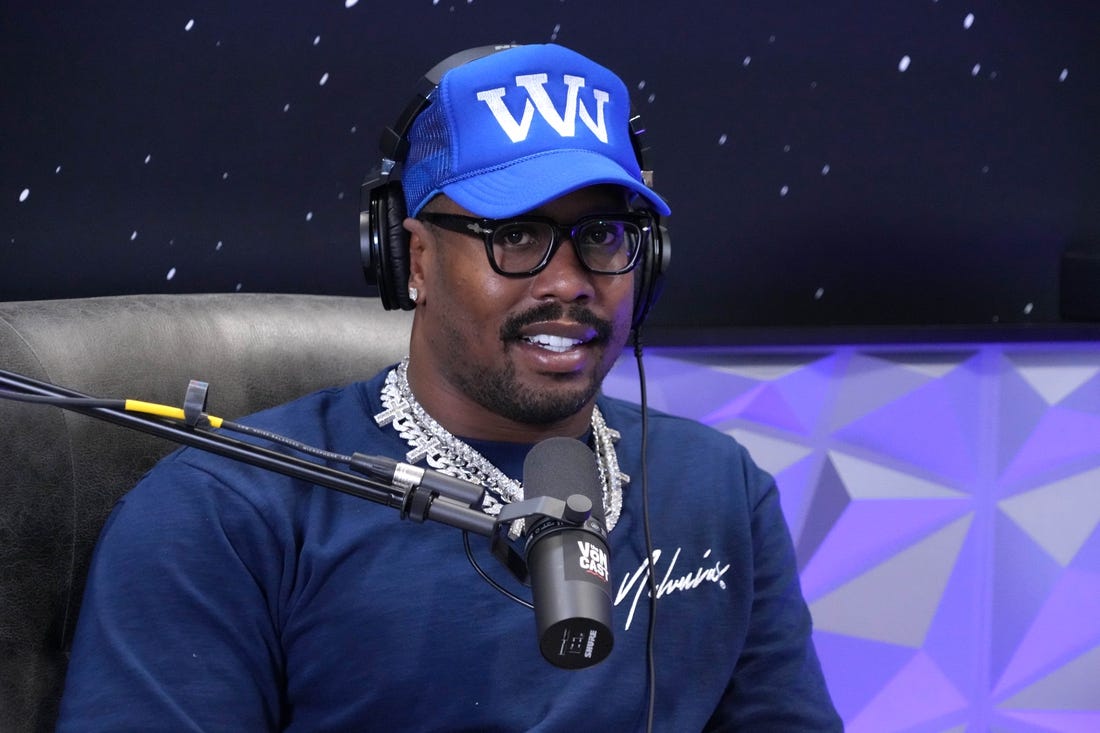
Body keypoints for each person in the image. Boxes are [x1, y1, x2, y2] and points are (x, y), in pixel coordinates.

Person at [58, 43, 841, 731]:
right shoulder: (225, 509)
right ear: (415, 261)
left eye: (602, 234)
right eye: (516, 234)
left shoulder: (719, 488)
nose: (568, 281)